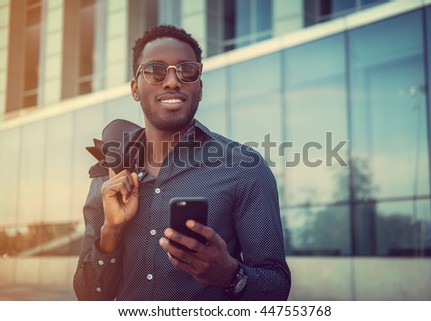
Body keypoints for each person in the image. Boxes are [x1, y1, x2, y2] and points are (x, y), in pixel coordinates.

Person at [73, 24, 291, 301]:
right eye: (155, 70)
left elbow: (277, 287)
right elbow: (88, 296)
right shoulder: (108, 175)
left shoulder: (245, 168)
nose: (172, 81)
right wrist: (112, 231)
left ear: (199, 87)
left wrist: (230, 274)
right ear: (135, 88)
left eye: (187, 70)